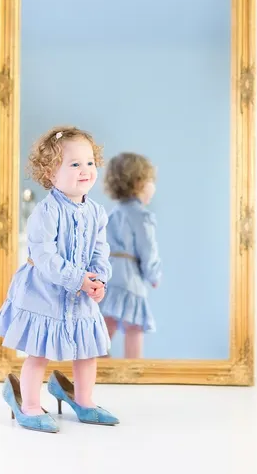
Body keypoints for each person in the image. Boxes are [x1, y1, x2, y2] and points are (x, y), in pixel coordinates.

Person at [0, 126, 119, 432]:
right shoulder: (45, 213)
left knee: (87, 351)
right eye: (74, 164)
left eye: (90, 162)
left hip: (82, 294)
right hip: (45, 292)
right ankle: (29, 404)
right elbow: (46, 258)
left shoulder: (98, 213)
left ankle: (84, 400)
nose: (85, 170)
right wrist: (78, 278)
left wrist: (98, 278)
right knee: (40, 351)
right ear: (50, 173)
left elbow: (101, 251)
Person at [100, 152, 162, 358]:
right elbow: (147, 250)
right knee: (134, 325)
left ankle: (98, 362)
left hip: (109, 275)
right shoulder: (142, 216)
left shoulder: (113, 213)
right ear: (139, 182)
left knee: (107, 320)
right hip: (130, 278)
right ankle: (133, 368)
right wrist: (153, 275)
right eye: (151, 180)